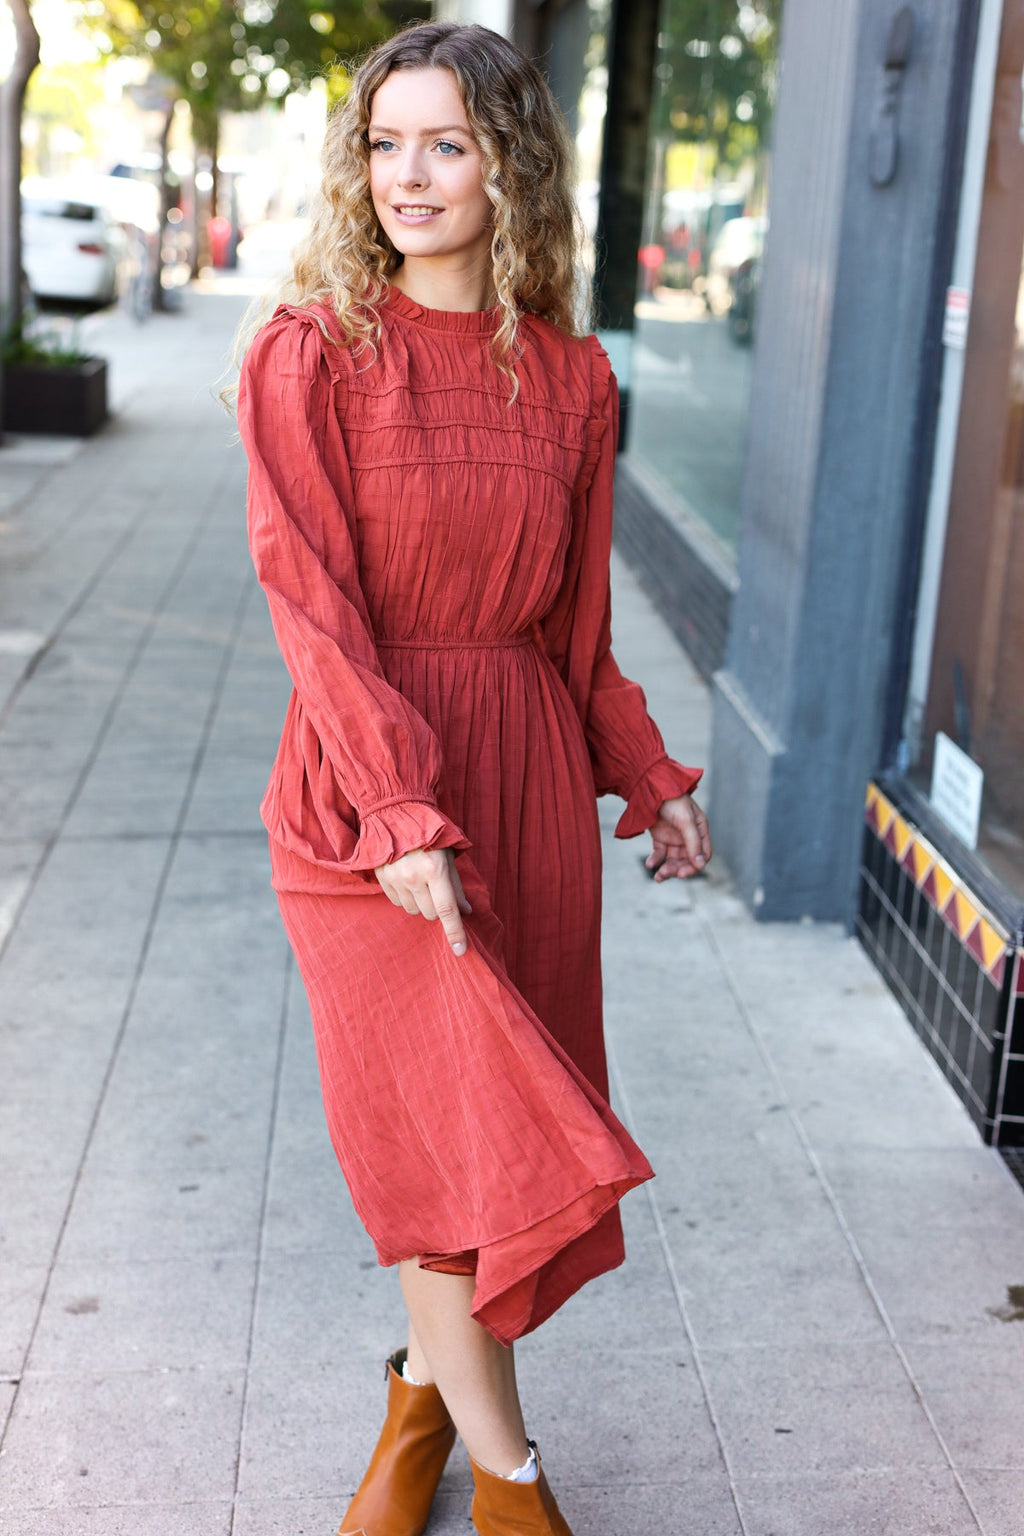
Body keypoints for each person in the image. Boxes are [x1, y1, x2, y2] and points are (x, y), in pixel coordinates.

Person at [235, 21, 711, 1536]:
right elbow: (311, 607)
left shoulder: (572, 379)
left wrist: (645, 769)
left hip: (519, 784)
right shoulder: (310, 353)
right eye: (386, 143)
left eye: (447, 142)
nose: (411, 176)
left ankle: (418, 1408)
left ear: (510, 161)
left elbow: (577, 635)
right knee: (448, 1140)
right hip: (368, 799)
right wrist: (395, 810)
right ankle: (515, 1490)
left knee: (486, 1152)